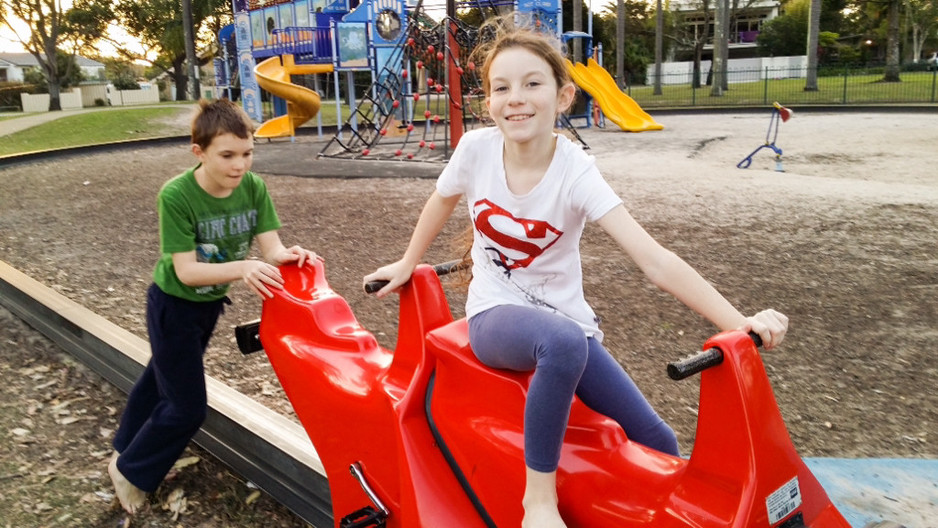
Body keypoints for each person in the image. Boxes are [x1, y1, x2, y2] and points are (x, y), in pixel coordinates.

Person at [364, 17, 788, 528]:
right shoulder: (476, 150)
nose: (515, 98)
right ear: (489, 101)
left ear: (564, 97)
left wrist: (738, 321)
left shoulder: (575, 169)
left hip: (568, 324)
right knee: (562, 343)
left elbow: (653, 260)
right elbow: (441, 200)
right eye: (502, 87)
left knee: (657, 442)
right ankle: (537, 502)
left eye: (532, 84)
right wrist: (408, 263)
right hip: (496, 313)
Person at [108, 98, 319, 514]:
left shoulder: (253, 188)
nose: (240, 166)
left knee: (160, 378)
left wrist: (288, 254)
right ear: (199, 152)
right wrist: (242, 267)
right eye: (227, 155)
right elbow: (186, 271)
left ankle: (124, 448)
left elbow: (271, 247)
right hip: (173, 306)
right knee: (187, 407)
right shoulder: (177, 195)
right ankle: (131, 470)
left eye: (247, 154)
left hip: (207, 307)